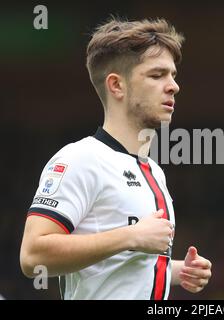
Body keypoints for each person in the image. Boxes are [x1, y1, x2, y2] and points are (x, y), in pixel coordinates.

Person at [20, 17, 212, 300]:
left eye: (173, 75)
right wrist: (132, 236)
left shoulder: (155, 171)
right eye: (157, 75)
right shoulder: (80, 159)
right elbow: (33, 256)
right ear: (116, 86)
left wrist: (177, 271)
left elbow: (118, 267)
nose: (173, 86)